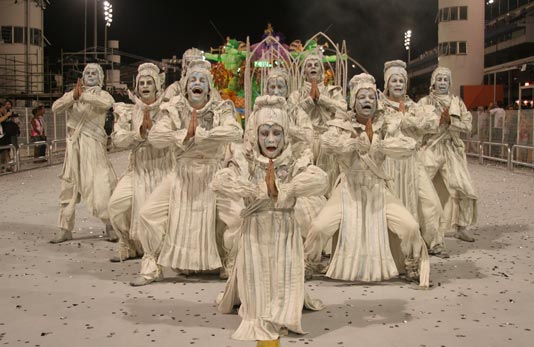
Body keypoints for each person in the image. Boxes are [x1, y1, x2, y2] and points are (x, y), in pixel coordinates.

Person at [213, 96, 327, 345]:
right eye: (265, 133)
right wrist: (255, 191)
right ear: (256, 134)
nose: (271, 140)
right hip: (254, 231)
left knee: (282, 288)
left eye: (277, 132)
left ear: (286, 134)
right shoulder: (246, 157)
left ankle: (281, 310)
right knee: (257, 307)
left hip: (285, 232)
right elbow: (220, 180)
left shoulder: (296, 157)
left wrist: (283, 190)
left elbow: (320, 180)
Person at [303, 73, 430, 287]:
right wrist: (353, 143)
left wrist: (376, 143)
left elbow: (407, 146)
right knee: (319, 227)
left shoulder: (387, 124)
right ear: (354, 101)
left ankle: (412, 263)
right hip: (348, 190)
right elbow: (327, 144)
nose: (367, 100)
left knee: (409, 226)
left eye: (371, 96)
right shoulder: (341, 124)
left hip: (377, 188)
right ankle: (309, 263)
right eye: (362, 97)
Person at [130, 59, 243, 286]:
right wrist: (183, 135)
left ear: (209, 87)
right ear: (186, 86)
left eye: (202, 80)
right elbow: (156, 136)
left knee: (237, 215)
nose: (197, 84)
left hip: (213, 172)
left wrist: (203, 135)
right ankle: (152, 265)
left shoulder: (221, 108)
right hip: (181, 172)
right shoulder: (174, 108)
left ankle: (230, 261)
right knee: (148, 214)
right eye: (193, 80)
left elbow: (235, 131)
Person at [107, 63, 175, 262]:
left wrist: (152, 133)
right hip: (137, 169)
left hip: (162, 167)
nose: (145, 86)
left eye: (149, 82)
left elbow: (168, 136)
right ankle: (128, 244)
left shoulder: (167, 109)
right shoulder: (128, 111)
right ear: (136, 87)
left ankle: (155, 252)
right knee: (115, 205)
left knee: (154, 214)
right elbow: (118, 139)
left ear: (156, 87)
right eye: (141, 82)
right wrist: (138, 134)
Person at [380, 60, 447, 257]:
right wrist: (408, 122)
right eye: (394, 80)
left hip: (413, 160)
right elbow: (385, 128)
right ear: (387, 84)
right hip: (390, 163)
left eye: (401, 80)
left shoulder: (415, 106)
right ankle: (397, 249)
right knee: (397, 206)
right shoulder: (380, 106)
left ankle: (433, 241)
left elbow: (431, 124)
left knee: (431, 203)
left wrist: (405, 118)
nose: (398, 84)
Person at [50, 63, 118, 243]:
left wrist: (83, 95)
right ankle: (65, 228)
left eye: (93, 73)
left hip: (93, 146)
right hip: (74, 145)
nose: (89, 75)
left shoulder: (103, 95)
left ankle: (110, 225)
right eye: (86, 72)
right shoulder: (74, 94)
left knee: (101, 186)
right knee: (68, 188)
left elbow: (106, 104)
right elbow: (56, 107)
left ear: (100, 77)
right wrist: (73, 96)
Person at [418, 66, 478, 242]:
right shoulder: (424, 103)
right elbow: (417, 126)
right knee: (419, 185)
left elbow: (468, 126)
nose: (442, 83)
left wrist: (451, 121)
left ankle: (461, 226)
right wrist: (435, 122)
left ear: (450, 83)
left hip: (452, 149)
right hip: (430, 148)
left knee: (464, 188)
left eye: (445, 79)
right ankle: (420, 225)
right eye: (439, 79)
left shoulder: (457, 103)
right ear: (433, 82)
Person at [288, 51, 347, 196]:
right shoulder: (296, 95)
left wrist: (322, 99)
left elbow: (343, 108)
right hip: (304, 143)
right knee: (306, 184)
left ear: (321, 69)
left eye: (316, 65)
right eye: (309, 65)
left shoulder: (332, 91)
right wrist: (309, 101)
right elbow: (290, 114)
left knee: (329, 183)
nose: (313, 67)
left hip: (327, 142)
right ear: (305, 71)